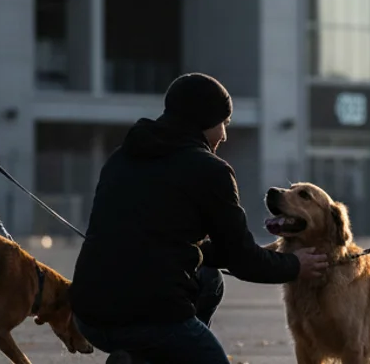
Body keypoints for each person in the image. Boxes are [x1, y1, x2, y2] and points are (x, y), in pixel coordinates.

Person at [70, 72, 328, 364]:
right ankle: (151, 353)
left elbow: (167, 240)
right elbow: (243, 260)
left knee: (209, 279)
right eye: (224, 123)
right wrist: (295, 265)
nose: (225, 135)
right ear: (205, 119)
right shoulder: (210, 170)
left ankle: (140, 357)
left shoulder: (122, 157)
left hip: (88, 314)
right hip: (148, 317)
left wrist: (264, 254)